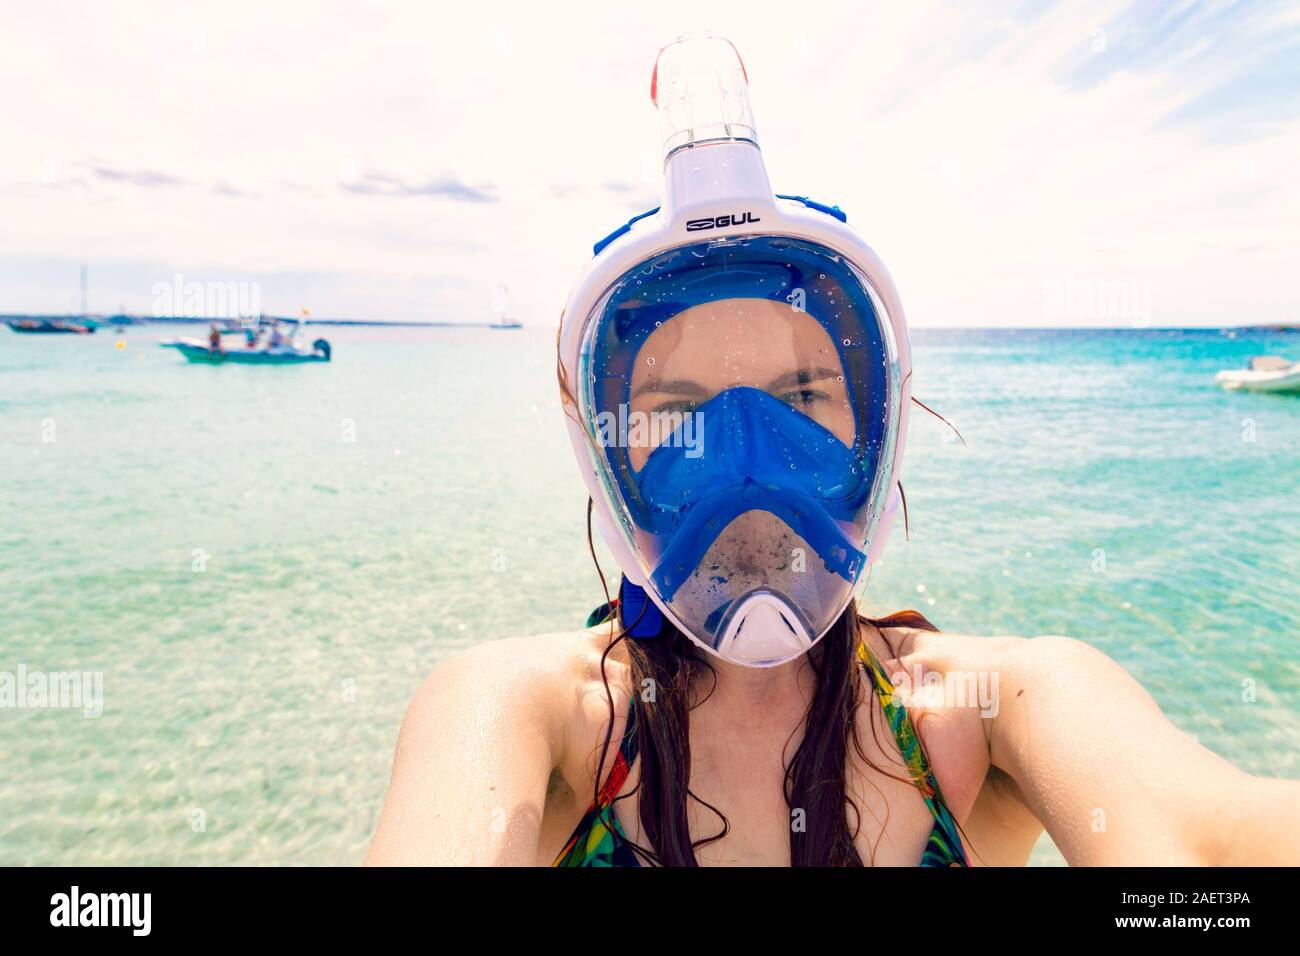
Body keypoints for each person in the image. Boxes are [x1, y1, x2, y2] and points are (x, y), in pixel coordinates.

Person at [367, 36, 1300, 867]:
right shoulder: (526, 718)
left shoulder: (989, 710)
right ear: (605, 457)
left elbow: (1209, 841)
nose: (742, 461)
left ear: (880, 427)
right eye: (678, 409)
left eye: (802, 398)